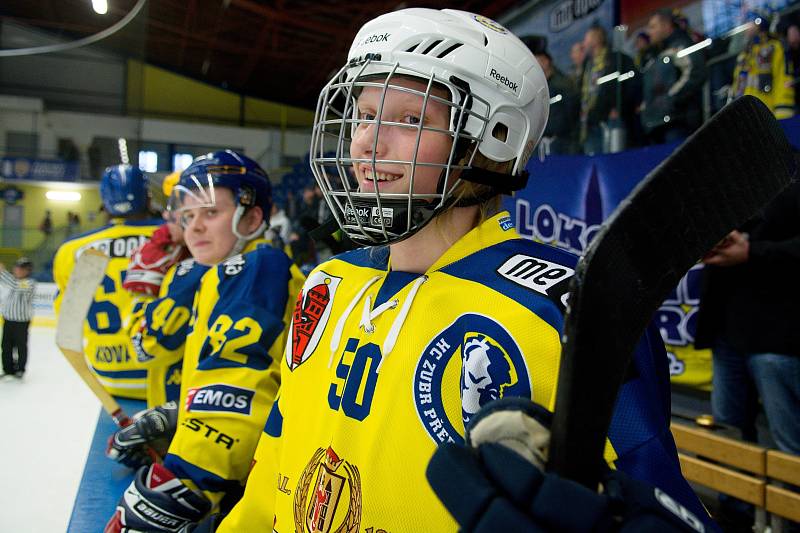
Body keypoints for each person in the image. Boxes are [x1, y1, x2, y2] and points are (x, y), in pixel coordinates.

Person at [216, 8, 712, 532]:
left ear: (492, 140)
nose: (366, 142)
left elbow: (661, 507)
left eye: (408, 120)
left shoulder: (570, 309)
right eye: (363, 116)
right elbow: (273, 467)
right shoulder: (327, 283)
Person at [104, 150, 305, 532]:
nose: (194, 227)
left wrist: (185, 482)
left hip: (240, 483)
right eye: (188, 215)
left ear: (252, 217)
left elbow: (236, 395)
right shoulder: (219, 274)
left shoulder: (256, 265)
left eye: (210, 213)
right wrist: (174, 416)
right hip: (236, 475)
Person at [52, 165, 161, 399]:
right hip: (163, 375)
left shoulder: (71, 251)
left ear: (104, 202)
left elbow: (66, 319)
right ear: (148, 197)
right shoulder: (174, 238)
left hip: (107, 374)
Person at [640, 9, 707, 145]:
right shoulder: (655, 56)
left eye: (653, 27)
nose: (649, 32)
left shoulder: (680, 47)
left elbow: (696, 72)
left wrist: (671, 99)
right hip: (656, 125)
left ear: (666, 26)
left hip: (678, 122)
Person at [730, 12, 795, 119]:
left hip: (768, 113)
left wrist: (783, 111)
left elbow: (783, 79)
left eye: (749, 23)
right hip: (746, 116)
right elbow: (737, 86)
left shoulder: (775, 47)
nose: (746, 27)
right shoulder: (744, 55)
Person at [533, 50, 580, 155]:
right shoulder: (542, 85)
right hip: (545, 142)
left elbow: (570, 113)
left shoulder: (561, 84)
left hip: (560, 143)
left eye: (537, 61)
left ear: (546, 62)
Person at [1, 257, 35, 378]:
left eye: (21, 268)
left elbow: (15, 285)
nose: (17, 270)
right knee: (6, 345)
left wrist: (2, 271)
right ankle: (8, 369)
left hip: (21, 321)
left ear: (27, 270)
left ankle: (20, 369)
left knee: (21, 346)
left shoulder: (29, 283)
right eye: (16, 267)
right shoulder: (13, 280)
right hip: (8, 319)